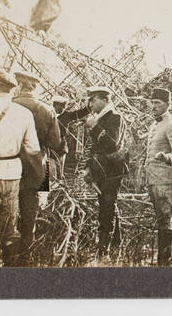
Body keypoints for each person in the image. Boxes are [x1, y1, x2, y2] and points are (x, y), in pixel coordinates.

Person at [0, 71, 40, 266]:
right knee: (10, 228)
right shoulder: (24, 114)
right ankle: (10, 271)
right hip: (13, 173)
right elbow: (33, 148)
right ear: (13, 89)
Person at [68, 86, 128, 259]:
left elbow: (112, 145)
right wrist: (88, 167)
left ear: (105, 100)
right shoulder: (100, 117)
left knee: (106, 209)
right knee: (107, 205)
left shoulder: (115, 117)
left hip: (112, 171)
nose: (90, 104)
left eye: (93, 100)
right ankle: (116, 245)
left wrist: (95, 127)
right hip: (101, 170)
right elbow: (93, 147)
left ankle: (103, 251)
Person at [12, 71, 61, 265]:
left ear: (19, 85)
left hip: (10, 165)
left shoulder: (9, 106)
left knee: (6, 212)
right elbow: (55, 143)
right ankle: (25, 257)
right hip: (37, 168)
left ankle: (5, 257)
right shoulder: (47, 110)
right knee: (30, 214)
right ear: (35, 87)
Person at [144, 87, 172, 266]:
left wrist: (167, 157)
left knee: (165, 219)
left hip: (166, 180)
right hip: (155, 179)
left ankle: (164, 263)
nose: (154, 106)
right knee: (165, 218)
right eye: (152, 103)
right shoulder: (155, 125)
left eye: (158, 103)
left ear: (167, 104)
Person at [51, 95, 92, 179]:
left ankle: (58, 182)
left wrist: (89, 106)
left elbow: (80, 113)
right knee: (50, 171)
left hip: (61, 146)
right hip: (50, 145)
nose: (63, 108)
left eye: (64, 106)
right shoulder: (48, 114)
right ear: (55, 105)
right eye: (60, 106)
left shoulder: (67, 115)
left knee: (59, 170)